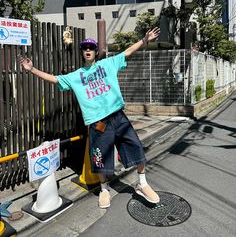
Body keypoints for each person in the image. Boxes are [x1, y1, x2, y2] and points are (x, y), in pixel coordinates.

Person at [19, 28, 160, 209]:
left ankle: (142, 183)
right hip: (98, 123)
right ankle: (104, 189)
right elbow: (54, 79)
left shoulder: (108, 64)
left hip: (118, 116)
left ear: (95, 52)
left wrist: (144, 40)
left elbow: (127, 52)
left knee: (135, 147)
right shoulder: (76, 76)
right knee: (100, 158)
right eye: (85, 48)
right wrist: (32, 69)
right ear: (82, 52)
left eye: (91, 48)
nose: (88, 50)